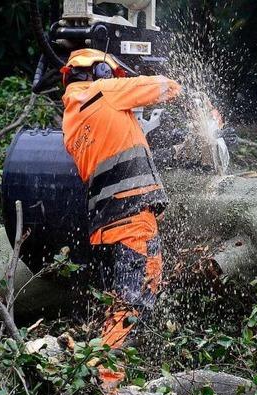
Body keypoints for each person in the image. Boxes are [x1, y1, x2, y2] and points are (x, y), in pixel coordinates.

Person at [60, 48, 181, 350]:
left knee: (121, 303)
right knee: (134, 303)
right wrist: (187, 90)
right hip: (131, 218)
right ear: (99, 72)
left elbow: (125, 148)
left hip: (106, 224)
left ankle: (95, 368)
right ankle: (105, 381)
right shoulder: (103, 91)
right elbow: (158, 87)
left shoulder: (72, 122)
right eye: (111, 74)